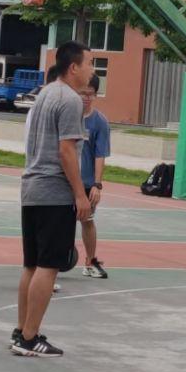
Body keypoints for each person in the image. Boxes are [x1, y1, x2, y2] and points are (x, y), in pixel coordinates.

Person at [11, 41, 93, 358]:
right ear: (73, 67)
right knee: (49, 266)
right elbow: (66, 150)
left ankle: (22, 330)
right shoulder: (70, 100)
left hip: (31, 189)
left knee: (31, 265)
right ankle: (30, 337)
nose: (91, 70)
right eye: (89, 63)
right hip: (53, 192)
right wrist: (79, 193)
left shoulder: (45, 93)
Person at [77, 105, 112, 279]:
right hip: (64, 180)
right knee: (58, 222)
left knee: (87, 220)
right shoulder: (68, 114)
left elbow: (100, 154)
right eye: (83, 93)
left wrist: (97, 185)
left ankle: (90, 262)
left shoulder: (100, 122)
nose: (86, 98)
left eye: (90, 94)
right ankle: (50, 262)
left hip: (86, 182)